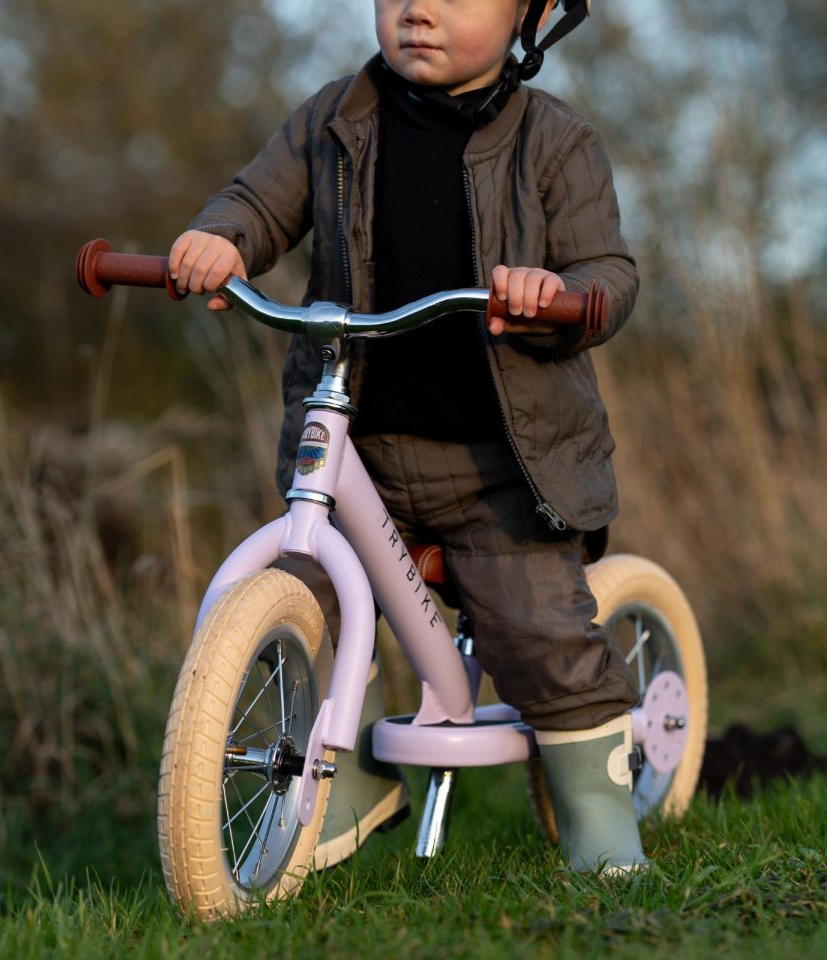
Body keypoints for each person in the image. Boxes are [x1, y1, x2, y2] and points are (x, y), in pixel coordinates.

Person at [168, 0, 647, 874]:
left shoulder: (556, 141)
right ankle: (345, 784)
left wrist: (559, 292)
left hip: (504, 466)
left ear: (531, 15)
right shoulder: (333, 118)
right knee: (307, 594)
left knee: (542, 635)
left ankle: (597, 807)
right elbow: (257, 201)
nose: (418, 9)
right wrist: (222, 239)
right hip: (361, 448)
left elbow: (606, 272)